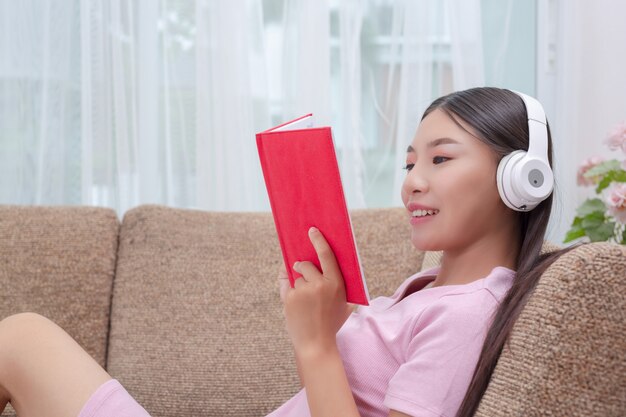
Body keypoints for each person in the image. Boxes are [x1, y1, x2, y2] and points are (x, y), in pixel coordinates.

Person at [0, 87, 576, 417]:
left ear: (519, 180)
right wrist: (337, 317)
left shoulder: (467, 312)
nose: (412, 182)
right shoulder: (430, 289)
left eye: (440, 159)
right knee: (20, 338)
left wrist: (315, 340)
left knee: (21, 338)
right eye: (408, 163)